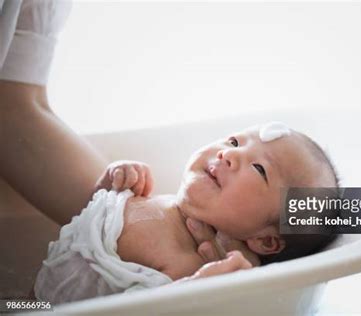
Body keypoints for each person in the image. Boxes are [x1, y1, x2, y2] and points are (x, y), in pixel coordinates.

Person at [0, 0, 339, 305]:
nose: (228, 155)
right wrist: (112, 188)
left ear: (267, 242)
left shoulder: (189, 269)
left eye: (260, 169)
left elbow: (139, 311)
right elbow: (91, 224)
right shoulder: (157, 200)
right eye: (234, 142)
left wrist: (197, 293)